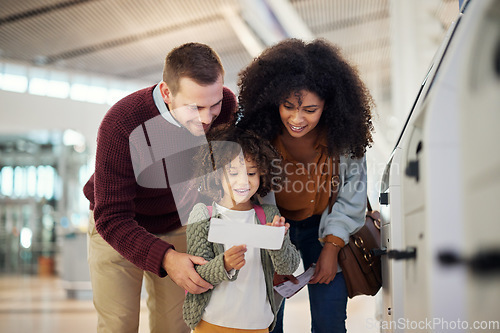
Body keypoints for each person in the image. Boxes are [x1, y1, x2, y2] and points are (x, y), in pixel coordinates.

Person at [83, 42, 237, 333]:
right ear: (167, 92)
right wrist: (166, 258)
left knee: (174, 326)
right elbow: (111, 217)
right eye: (195, 107)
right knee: (119, 325)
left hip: (177, 222)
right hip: (116, 226)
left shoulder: (225, 106)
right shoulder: (121, 123)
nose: (207, 118)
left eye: (213, 104)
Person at [236, 38, 374, 333]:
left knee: (329, 322)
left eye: (310, 110)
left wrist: (332, 247)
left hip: (322, 229)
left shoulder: (345, 139)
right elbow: (246, 196)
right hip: (270, 230)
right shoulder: (258, 135)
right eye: (288, 106)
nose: (297, 119)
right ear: (275, 100)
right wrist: (271, 254)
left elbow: (353, 193)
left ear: (329, 106)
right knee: (267, 322)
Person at [182, 125, 300, 332]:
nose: (243, 181)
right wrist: (225, 264)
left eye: (251, 172)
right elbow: (197, 275)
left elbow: (287, 268)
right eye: (232, 173)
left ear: (262, 173)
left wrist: (278, 243)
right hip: (213, 322)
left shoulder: (269, 215)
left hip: (258, 323)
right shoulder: (202, 215)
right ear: (216, 174)